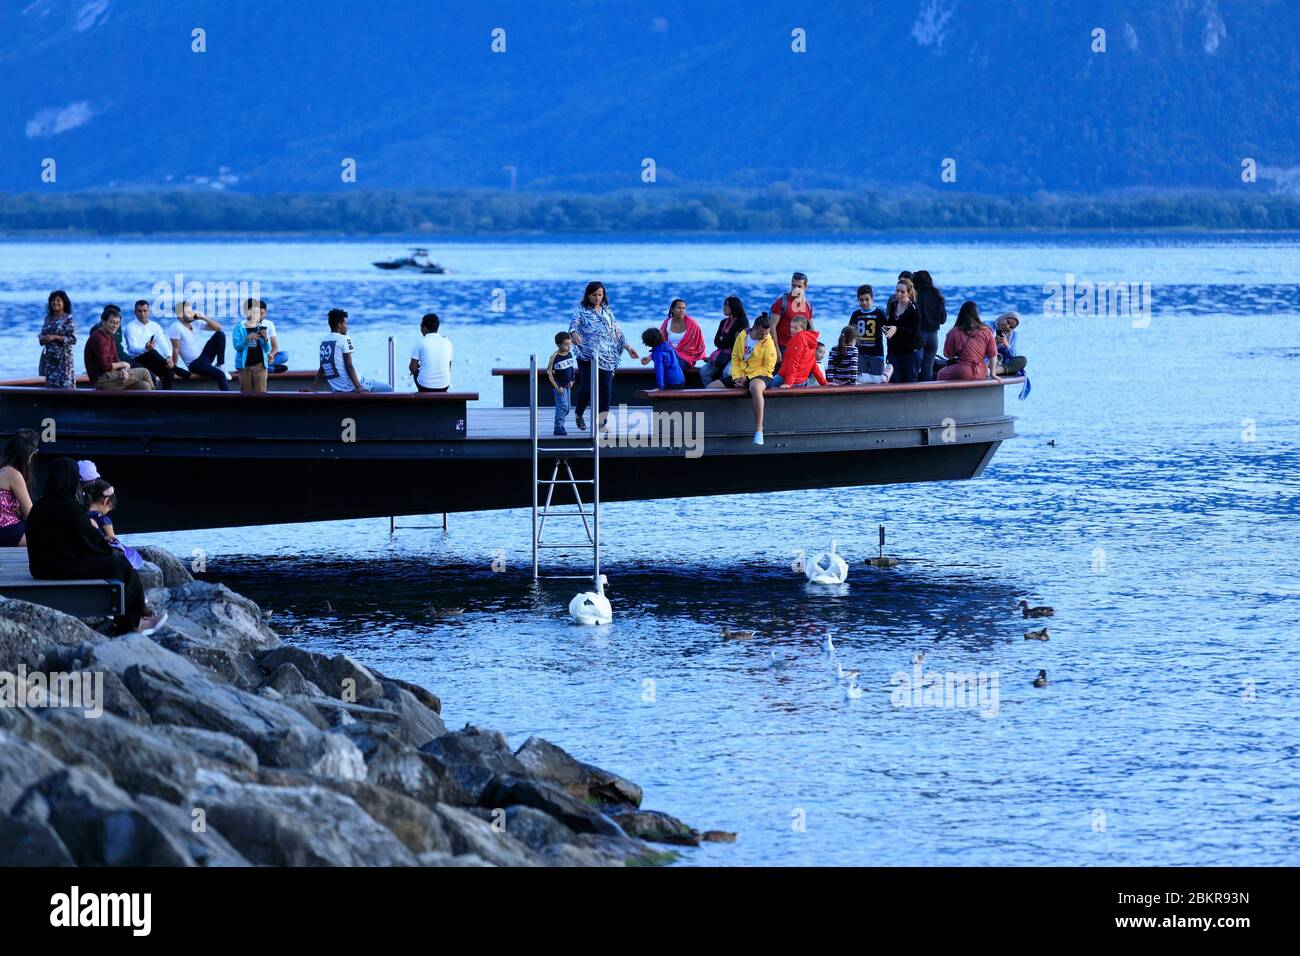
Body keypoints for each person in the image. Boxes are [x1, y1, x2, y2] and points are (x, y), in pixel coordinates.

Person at [25, 458, 163, 636]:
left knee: (115, 565)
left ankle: (137, 615)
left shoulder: (39, 506)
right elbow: (91, 541)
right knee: (121, 567)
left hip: (40, 567)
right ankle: (134, 621)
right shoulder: (69, 508)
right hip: (61, 567)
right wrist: (109, 550)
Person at [568, 281, 638, 431]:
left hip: (606, 356)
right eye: (594, 295)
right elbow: (573, 325)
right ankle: (579, 414)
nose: (597, 298)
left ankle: (602, 421)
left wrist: (628, 347)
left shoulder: (607, 312)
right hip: (586, 354)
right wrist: (574, 334)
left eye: (600, 295)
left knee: (605, 388)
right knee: (587, 386)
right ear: (588, 295)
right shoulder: (581, 311)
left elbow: (617, 332)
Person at [709, 313, 777, 445]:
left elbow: (769, 367)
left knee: (755, 388)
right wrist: (736, 377)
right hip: (741, 373)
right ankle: (715, 426)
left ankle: (759, 430)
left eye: (766, 334)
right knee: (710, 388)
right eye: (761, 334)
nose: (764, 336)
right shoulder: (742, 335)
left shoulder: (768, 341)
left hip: (761, 374)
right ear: (754, 328)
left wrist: (747, 378)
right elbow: (735, 358)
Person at [311, 309, 393, 393]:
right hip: (355, 385)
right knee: (389, 389)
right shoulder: (344, 339)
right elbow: (349, 366)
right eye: (345, 323)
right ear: (339, 325)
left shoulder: (324, 342)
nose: (347, 326)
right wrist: (359, 387)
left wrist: (313, 388)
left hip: (337, 389)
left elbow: (322, 368)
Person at [84, 306, 154, 390]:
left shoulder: (110, 336)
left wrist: (123, 369)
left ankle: (147, 401)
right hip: (101, 379)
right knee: (144, 372)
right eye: (112, 322)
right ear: (103, 322)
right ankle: (158, 401)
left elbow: (115, 358)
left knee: (144, 386)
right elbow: (105, 366)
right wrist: (123, 364)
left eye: (117, 323)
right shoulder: (98, 337)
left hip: (112, 377)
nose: (115, 326)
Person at [84, 479, 145, 570]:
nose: (107, 512)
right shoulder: (104, 519)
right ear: (106, 501)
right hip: (102, 555)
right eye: (109, 508)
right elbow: (112, 539)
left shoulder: (81, 515)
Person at [168, 302, 229, 390]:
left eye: (191, 311)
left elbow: (218, 328)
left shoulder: (195, 323)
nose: (192, 314)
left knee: (220, 334)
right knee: (220, 375)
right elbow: (176, 349)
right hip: (195, 364)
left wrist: (203, 317)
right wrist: (174, 369)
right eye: (188, 312)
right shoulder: (176, 327)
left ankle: (220, 365)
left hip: (204, 357)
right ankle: (230, 401)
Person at [122, 300, 176, 389]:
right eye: (139, 311)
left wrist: (169, 356)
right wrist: (145, 349)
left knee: (169, 371)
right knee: (152, 352)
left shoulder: (155, 326)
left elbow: (163, 343)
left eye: (145, 311)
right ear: (135, 312)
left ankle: (166, 397)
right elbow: (132, 348)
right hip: (137, 360)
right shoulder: (130, 327)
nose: (142, 314)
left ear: (149, 311)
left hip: (152, 360)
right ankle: (177, 369)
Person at [938, 301, 998, 381]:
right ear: (977, 314)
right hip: (981, 371)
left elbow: (948, 354)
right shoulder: (987, 330)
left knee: (941, 374)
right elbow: (993, 354)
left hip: (962, 370)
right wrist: (993, 373)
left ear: (961, 314)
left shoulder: (955, 332)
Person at [699, 296, 750, 386]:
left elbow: (737, 343)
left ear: (734, 307)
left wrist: (723, 339)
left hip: (736, 355)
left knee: (727, 373)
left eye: (727, 305)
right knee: (704, 371)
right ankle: (712, 393)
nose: (724, 308)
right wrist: (727, 340)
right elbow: (716, 342)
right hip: (721, 355)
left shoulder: (743, 321)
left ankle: (725, 396)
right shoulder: (723, 322)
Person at [0, 430, 39, 547]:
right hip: (6, 529)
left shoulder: (3, 470)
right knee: (52, 538)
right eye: (32, 455)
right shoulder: (13, 474)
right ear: (26, 455)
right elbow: (31, 515)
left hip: (4, 529)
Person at [233, 298, 279, 394]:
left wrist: (266, 339)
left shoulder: (261, 327)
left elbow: (267, 349)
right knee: (246, 393)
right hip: (244, 366)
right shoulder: (239, 328)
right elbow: (237, 347)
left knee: (261, 393)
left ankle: (271, 367)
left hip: (260, 365)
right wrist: (247, 339)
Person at [851, 284, 893, 383]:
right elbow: (850, 334)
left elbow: (887, 334)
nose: (864, 302)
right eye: (861, 300)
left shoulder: (879, 314)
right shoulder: (856, 314)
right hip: (860, 354)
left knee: (878, 381)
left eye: (867, 299)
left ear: (872, 299)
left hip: (876, 354)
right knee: (860, 381)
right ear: (858, 300)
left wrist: (890, 352)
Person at [653, 299, 705, 378]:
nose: (682, 310)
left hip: (686, 356)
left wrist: (703, 357)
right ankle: (662, 387)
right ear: (672, 309)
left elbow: (699, 343)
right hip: (669, 354)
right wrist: (650, 356)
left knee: (677, 367)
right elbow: (660, 342)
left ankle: (678, 388)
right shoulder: (666, 323)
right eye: (679, 308)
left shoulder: (692, 324)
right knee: (661, 365)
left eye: (684, 308)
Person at [911, 270, 948, 381]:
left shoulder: (914, 296)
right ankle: (926, 395)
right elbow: (943, 319)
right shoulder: (937, 296)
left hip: (919, 335)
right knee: (928, 369)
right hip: (933, 336)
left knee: (914, 367)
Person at [772, 316, 827, 388]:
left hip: (786, 379)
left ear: (803, 329)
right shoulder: (812, 340)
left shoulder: (798, 338)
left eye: (795, 328)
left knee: (763, 386)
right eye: (791, 327)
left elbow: (793, 362)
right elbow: (813, 364)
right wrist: (824, 382)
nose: (792, 330)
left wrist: (789, 383)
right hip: (802, 382)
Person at [885, 277, 923, 383]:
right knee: (894, 380)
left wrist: (897, 329)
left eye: (902, 292)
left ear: (909, 293)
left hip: (911, 351)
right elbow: (890, 326)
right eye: (897, 291)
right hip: (895, 351)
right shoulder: (893, 305)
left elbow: (914, 331)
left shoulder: (914, 309)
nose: (899, 294)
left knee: (909, 381)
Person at [38, 290, 77, 389]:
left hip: (63, 360)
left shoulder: (68, 319)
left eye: (58, 300)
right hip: (49, 360)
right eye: (53, 300)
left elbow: (73, 339)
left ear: (64, 303)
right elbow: (42, 337)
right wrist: (42, 338)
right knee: (50, 386)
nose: (55, 302)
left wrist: (55, 337)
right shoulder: (48, 318)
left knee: (65, 386)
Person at [409, 312, 453, 392]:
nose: (421, 330)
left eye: (421, 327)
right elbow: (448, 367)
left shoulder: (420, 342)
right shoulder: (447, 342)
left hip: (424, 386)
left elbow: (412, 368)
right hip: (445, 385)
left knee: (416, 373)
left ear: (425, 328)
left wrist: (417, 370)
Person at [770, 272, 814, 352]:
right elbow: (772, 327)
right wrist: (776, 350)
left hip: (801, 349)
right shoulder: (781, 302)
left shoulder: (808, 305)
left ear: (805, 287)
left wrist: (813, 348)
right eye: (794, 285)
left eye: (799, 286)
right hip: (783, 348)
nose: (796, 289)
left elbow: (811, 329)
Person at [546, 331, 578, 436]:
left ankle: (561, 424)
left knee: (567, 407)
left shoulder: (569, 354)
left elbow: (571, 368)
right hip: (559, 386)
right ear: (558, 345)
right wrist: (557, 386)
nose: (569, 347)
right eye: (566, 345)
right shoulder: (554, 357)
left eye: (570, 344)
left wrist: (572, 380)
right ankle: (558, 427)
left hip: (568, 385)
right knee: (562, 406)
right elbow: (550, 373)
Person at [986, 311, 1027, 376]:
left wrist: (1007, 345)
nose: (1007, 327)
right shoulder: (987, 325)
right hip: (987, 360)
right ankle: (991, 370)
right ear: (1004, 317)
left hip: (1001, 364)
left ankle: (994, 372)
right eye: (1008, 322)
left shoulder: (1013, 335)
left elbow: (1013, 355)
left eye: (1011, 327)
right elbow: (978, 347)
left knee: (1022, 360)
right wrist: (992, 343)